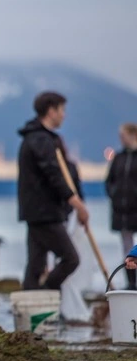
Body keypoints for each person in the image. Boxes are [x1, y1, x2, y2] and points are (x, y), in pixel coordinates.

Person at [17, 91, 89, 291]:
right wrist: (77, 204)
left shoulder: (37, 137)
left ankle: (31, 308)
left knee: (35, 265)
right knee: (71, 259)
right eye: (61, 110)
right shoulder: (40, 140)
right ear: (51, 111)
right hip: (44, 212)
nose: (64, 115)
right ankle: (44, 295)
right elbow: (54, 175)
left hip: (35, 212)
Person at [105, 123, 137, 290]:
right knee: (127, 249)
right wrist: (114, 195)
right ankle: (131, 283)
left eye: (123, 135)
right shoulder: (118, 157)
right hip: (121, 211)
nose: (120, 138)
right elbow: (109, 181)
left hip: (134, 209)